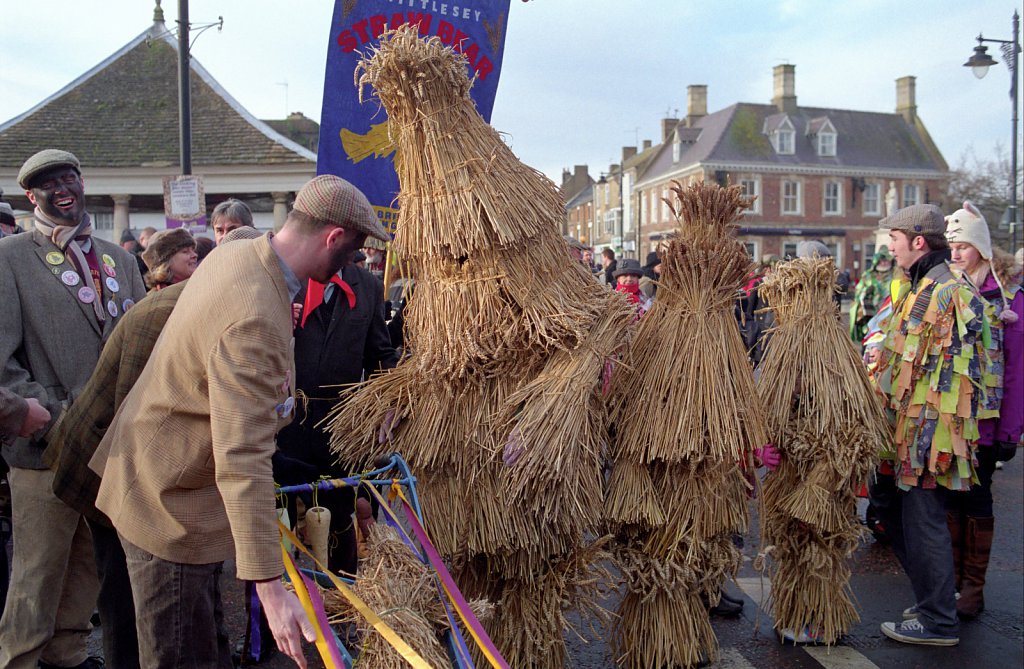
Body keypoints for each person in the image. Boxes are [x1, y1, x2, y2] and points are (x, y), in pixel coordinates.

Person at [90, 175, 388, 667]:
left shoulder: (241, 250)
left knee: (203, 643)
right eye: (353, 249)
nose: (352, 263)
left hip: (159, 475)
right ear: (333, 237)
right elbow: (242, 458)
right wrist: (270, 588)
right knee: (183, 654)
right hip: (171, 506)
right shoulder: (255, 316)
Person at [44, 225, 263, 669]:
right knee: (131, 603)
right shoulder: (169, 314)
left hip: (135, 467)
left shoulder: (211, 305)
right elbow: (137, 426)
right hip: (109, 469)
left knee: (185, 600)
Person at [0, 148, 146, 669]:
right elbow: (3, 363)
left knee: (87, 570)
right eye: (47, 183)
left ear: (83, 182)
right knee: (37, 577)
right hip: (44, 449)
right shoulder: (11, 257)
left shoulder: (120, 259)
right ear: (31, 197)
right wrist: (45, 416)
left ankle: (65, 656)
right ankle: (18, 660)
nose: (62, 188)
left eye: (69, 177)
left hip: (109, 451)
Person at [871, 203, 987, 647]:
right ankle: (932, 601)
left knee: (923, 520)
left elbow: (928, 369)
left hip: (927, 433)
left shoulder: (943, 292)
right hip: (912, 428)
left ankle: (938, 620)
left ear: (918, 241)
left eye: (895, 240)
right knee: (890, 508)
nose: (891, 248)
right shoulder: (925, 286)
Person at [942, 202, 1023, 619]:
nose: (955, 253)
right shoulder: (946, 291)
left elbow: (1017, 369)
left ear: (982, 248)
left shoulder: (1009, 298)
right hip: (949, 420)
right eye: (951, 246)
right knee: (949, 497)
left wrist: (1010, 431)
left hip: (987, 424)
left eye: (963, 246)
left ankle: (973, 587)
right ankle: (953, 583)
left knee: (976, 496)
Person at [849, 248, 894, 342]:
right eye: (881, 261)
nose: (884, 263)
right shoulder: (868, 275)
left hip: (890, 313)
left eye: (886, 260)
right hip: (870, 314)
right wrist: (866, 292)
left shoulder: (896, 275)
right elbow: (858, 293)